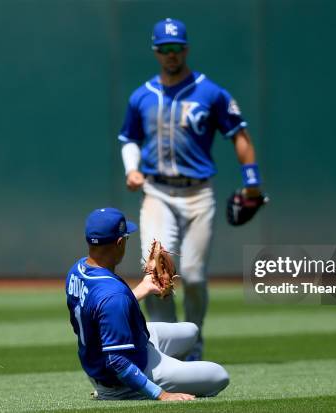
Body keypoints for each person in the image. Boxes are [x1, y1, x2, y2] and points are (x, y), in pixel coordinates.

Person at [118, 18, 263, 360]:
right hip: (158, 192)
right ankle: (164, 349)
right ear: (156, 52)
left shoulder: (210, 92)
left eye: (176, 48)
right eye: (164, 49)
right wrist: (132, 169)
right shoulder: (143, 95)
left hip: (198, 195)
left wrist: (252, 182)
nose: (171, 55)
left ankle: (193, 344)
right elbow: (128, 139)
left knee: (194, 277)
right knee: (157, 273)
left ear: (186, 49)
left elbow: (239, 134)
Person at [65, 207, 229, 401]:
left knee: (191, 332)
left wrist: (142, 289)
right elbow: (117, 361)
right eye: (126, 238)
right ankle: (126, 390)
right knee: (219, 376)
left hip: (103, 356)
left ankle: (168, 370)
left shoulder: (77, 269)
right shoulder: (114, 296)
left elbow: (101, 310)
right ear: (119, 243)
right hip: (119, 375)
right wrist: (162, 395)